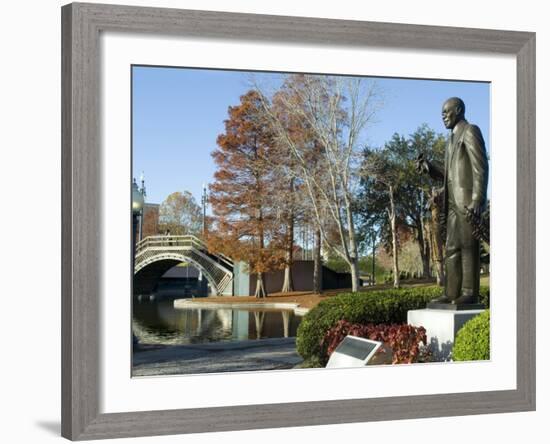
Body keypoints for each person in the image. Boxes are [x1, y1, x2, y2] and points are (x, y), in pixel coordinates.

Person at [417, 97, 489, 305]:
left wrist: (478, 198)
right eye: (441, 114)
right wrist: (430, 167)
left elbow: (480, 167)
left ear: (458, 110)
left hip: (467, 200)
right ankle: (450, 292)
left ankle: (469, 293)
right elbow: (449, 174)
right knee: (451, 248)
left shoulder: (470, 131)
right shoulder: (450, 141)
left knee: (468, 246)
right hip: (451, 203)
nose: (443, 117)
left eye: (446, 112)